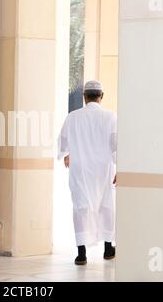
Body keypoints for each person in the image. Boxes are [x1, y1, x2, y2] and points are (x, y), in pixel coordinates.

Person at [58, 81, 117, 266]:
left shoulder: (73, 117)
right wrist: (121, 167)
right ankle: (108, 248)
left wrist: (66, 154)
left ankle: (81, 253)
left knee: (81, 206)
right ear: (102, 96)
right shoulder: (110, 117)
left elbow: (63, 141)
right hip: (104, 169)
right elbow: (116, 144)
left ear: (84, 97)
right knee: (106, 204)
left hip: (81, 168)